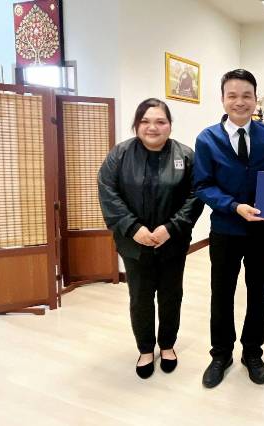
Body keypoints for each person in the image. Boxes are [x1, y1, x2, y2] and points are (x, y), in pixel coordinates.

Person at [193, 69, 264, 388]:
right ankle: (221, 354)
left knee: (259, 293)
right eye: (232, 95)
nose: (240, 102)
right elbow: (202, 185)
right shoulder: (207, 139)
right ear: (222, 99)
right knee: (222, 294)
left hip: (262, 232)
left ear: (256, 99)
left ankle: (252, 353)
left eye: (247, 95)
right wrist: (234, 206)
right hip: (225, 230)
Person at [98, 98, 204, 379]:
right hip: (134, 244)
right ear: (136, 125)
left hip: (173, 242)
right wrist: (134, 228)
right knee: (140, 297)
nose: (152, 127)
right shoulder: (120, 155)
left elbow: (196, 195)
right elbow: (108, 191)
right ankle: (145, 349)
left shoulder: (186, 156)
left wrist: (171, 228)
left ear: (170, 125)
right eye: (145, 121)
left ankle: (167, 345)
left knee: (171, 295)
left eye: (160, 121)